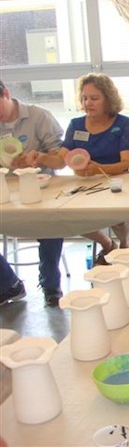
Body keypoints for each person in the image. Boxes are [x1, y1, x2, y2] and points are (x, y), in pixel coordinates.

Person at [30, 73, 129, 265]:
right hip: (85, 185)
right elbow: (61, 161)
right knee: (69, 216)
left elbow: (127, 163)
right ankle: (107, 244)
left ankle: (124, 244)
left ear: (108, 98)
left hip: (118, 183)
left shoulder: (124, 124)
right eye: (84, 98)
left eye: (94, 98)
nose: (88, 103)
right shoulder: (76, 124)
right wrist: (41, 157)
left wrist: (99, 169)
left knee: (115, 213)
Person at [0, 79, 64, 306]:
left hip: (43, 187)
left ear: (6, 93)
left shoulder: (39, 116)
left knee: (51, 222)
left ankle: (50, 283)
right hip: (5, 189)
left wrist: (38, 157)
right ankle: (8, 284)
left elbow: (60, 159)